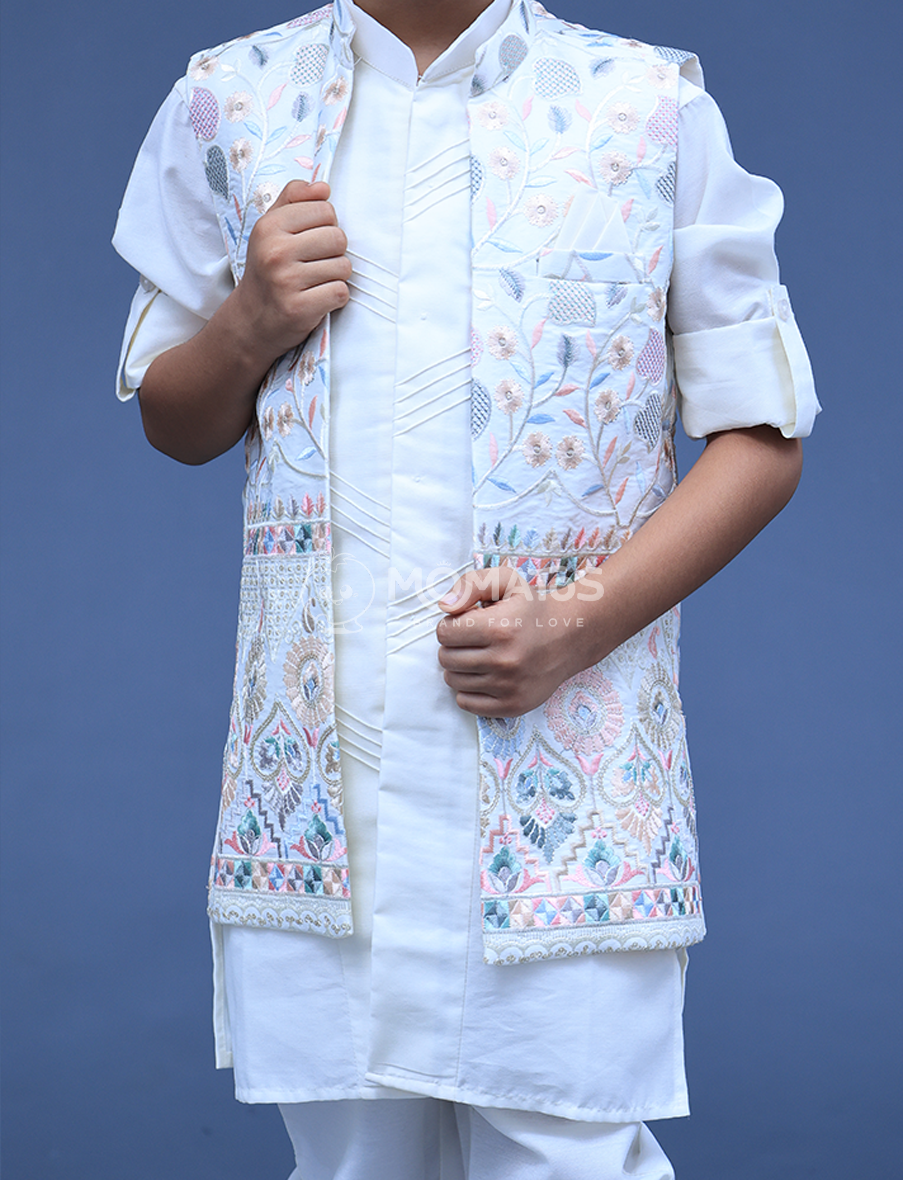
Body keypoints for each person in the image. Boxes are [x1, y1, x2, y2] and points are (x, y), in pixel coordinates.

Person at [113, 1, 819, 1176]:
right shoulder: (230, 99)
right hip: (326, 812)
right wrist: (246, 326)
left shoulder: (649, 109)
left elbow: (764, 435)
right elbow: (174, 418)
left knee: (572, 1155)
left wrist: (577, 622)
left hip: (564, 803)